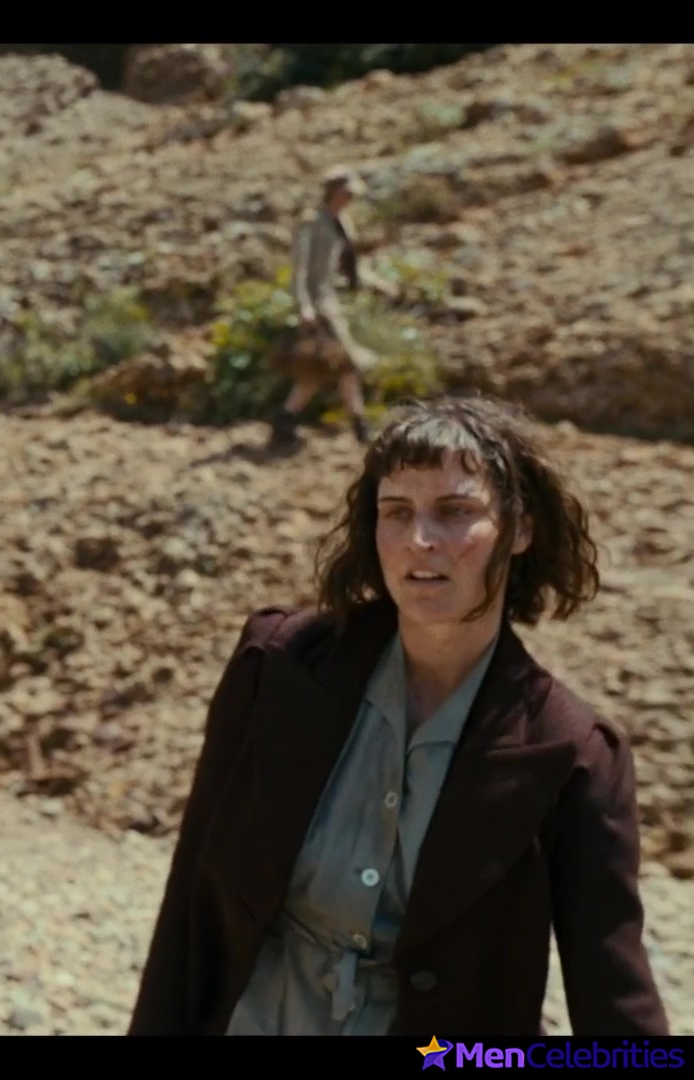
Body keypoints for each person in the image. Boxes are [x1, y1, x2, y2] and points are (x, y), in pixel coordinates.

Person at [130, 394, 669, 1036]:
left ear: (521, 529)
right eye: (397, 512)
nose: (420, 540)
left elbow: (612, 991)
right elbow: (188, 903)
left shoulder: (572, 752)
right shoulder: (277, 666)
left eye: (455, 511)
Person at [266, 165, 397, 452]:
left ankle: (286, 422)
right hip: (319, 307)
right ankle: (360, 429)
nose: (349, 199)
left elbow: (350, 267)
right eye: (346, 194)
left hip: (331, 303)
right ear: (334, 192)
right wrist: (304, 306)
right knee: (345, 364)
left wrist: (379, 284)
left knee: (322, 371)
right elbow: (300, 270)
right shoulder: (311, 223)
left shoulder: (341, 224)